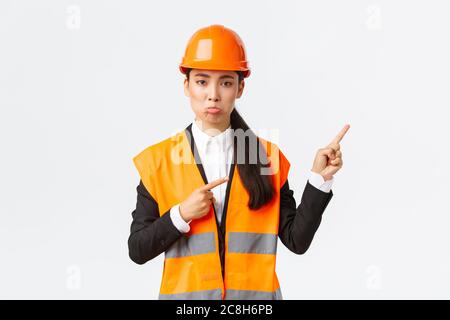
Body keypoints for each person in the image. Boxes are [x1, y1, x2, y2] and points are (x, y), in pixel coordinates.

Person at [128, 24, 350, 300]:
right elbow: (137, 250)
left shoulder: (268, 158)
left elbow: (297, 240)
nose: (213, 94)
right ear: (186, 85)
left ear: (240, 87)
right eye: (202, 81)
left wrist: (320, 179)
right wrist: (181, 214)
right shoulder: (158, 162)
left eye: (225, 82)